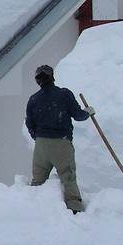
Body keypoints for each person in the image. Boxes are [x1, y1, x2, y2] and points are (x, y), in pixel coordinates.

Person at [25, 64, 94, 213]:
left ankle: (34, 210)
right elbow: (78, 115)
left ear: (38, 80)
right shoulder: (64, 95)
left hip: (41, 145)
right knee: (67, 177)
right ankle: (74, 208)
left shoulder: (34, 99)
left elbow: (29, 122)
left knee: (38, 180)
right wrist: (88, 112)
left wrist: (38, 137)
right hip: (61, 144)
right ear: (52, 77)